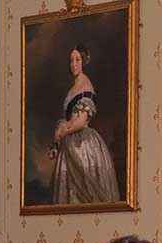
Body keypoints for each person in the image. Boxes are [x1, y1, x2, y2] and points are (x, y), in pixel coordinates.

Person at [50, 44, 121, 204]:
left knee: (85, 191)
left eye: (77, 60)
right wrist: (58, 138)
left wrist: (63, 131)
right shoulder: (73, 87)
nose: (74, 64)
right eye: (71, 60)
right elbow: (70, 119)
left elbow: (81, 121)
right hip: (69, 141)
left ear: (84, 62)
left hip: (83, 144)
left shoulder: (85, 86)